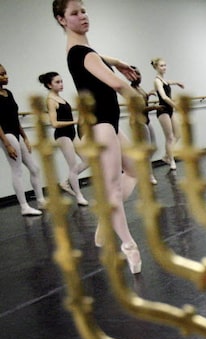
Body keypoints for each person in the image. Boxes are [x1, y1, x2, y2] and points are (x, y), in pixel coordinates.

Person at [53, 0, 143, 274]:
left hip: (107, 123)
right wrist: (138, 97)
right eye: (74, 13)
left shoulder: (81, 51)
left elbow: (96, 58)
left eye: (83, 10)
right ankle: (128, 245)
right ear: (61, 20)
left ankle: (106, 213)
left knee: (135, 171)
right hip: (100, 125)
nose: (82, 16)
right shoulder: (80, 51)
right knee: (114, 187)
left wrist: (117, 61)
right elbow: (116, 84)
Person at [0, 64, 47, 216]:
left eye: (5, 73)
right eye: (1, 74)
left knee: (34, 168)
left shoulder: (8, 93)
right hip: (6, 135)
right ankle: (24, 206)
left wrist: (25, 137)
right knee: (17, 170)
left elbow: (15, 117)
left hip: (16, 133)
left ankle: (40, 200)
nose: (5, 76)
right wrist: (7, 144)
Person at [39, 70, 89, 205]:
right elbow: (54, 123)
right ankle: (79, 196)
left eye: (61, 81)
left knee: (88, 159)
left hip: (71, 133)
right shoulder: (50, 101)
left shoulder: (60, 98)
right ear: (49, 85)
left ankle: (66, 182)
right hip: (62, 135)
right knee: (73, 166)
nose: (61, 84)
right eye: (57, 82)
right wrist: (74, 122)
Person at [151, 57, 184, 171]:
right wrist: (176, 106)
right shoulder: (157, 80)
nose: (164, 67)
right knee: (169, 137)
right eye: (161, 66)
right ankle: (171, 160)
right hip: (163, 110)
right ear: (156, 67)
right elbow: (164, 97)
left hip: (170, 110)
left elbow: (167, 83)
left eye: (165, 65)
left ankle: (166, 156)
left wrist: (177, 82)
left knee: (178, 134)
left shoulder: (163, 80)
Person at [130, 67, 160, 184]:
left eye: (139, 74)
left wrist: (148, 94)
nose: (139, 76)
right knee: (147, 149)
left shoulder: (139, 88)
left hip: (146, 119)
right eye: (136, 74)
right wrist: (155, 107)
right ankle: (149, 175)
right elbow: (140, 108)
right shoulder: (131, 89)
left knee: (152, 147)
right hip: (138, 121)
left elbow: (143, 100)